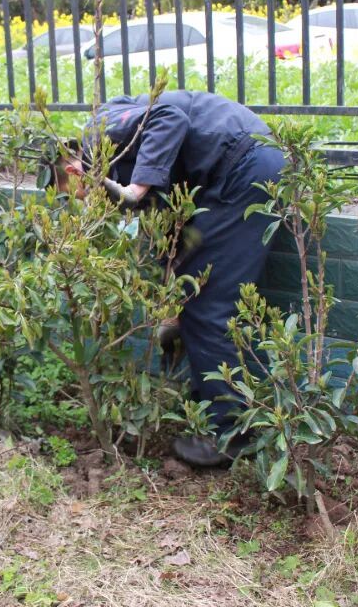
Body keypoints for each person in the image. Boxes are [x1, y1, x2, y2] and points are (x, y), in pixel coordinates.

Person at [57, 90, 288, 467]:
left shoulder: (99, 132)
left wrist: (136, 189)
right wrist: (171, 302)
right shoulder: (113, 163)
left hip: (244, 166)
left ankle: (229, 436)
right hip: (229, 174)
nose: (85, 201)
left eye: (76, 195)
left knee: (208, 306)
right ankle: (217, 412)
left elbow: (169, 117)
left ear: (72, 173)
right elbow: (170, 225)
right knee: (197, 300)